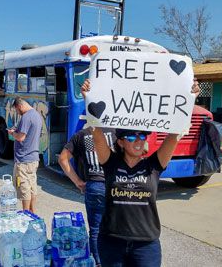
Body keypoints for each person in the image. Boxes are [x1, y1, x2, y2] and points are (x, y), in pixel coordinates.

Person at [81, 79, 200, 267]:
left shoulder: (153, 165)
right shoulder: (110, 163)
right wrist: (89, 98)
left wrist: (189, 98)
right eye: (131, 136)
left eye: (142, 135)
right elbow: (96, 132)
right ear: (120, 141)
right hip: (112, 241)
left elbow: (174, 135)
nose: (138, 140)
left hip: (146, 245)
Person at [58, 127, 116, 266]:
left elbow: (62, 159)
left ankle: (98, 263)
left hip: (94, 185)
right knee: (117, 227)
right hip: (115, 184)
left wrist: (78, 181)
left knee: (96, 230)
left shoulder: (82, 134)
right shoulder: (115, 130)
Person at [7, 97, 42, 213]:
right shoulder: (37, 115)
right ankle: (32, 212)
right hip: (34, 158)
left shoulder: (26, 117)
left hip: (23, 159)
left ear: (20, 106)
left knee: (24, 187)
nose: (18, 113)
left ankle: (25, 213)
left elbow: (21, 137)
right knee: (32, 187)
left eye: (17, 110)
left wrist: (13, 133)